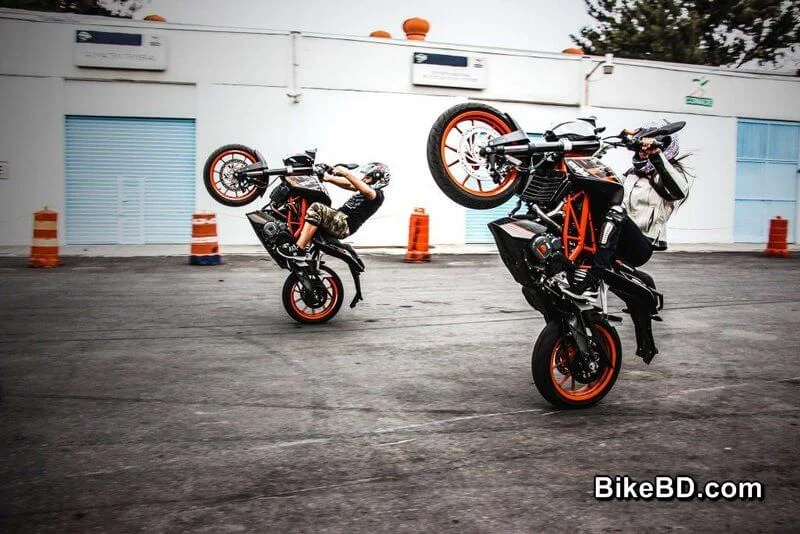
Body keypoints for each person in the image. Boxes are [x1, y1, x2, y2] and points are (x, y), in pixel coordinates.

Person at [564, 122, 691, 298]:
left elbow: (679, 191)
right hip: (616, 238)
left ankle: (593, 280)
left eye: (647, 149)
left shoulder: (669, 176)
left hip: (640, 245)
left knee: (617, 212)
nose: (642, 152)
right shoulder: (630, 174)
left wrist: (656, 155)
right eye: (640, 149)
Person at [277, 162, 390, 259]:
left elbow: (365, 190)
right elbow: (350, 185)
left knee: (317, 208)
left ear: (378, 178)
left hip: (345, 225)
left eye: (368, 177)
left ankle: (299, 249)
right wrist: (327, 177)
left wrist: (345, 173)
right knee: (308, 204)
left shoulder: (378, 195)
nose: (364, 179)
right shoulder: (363, 190)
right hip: (339, 220)